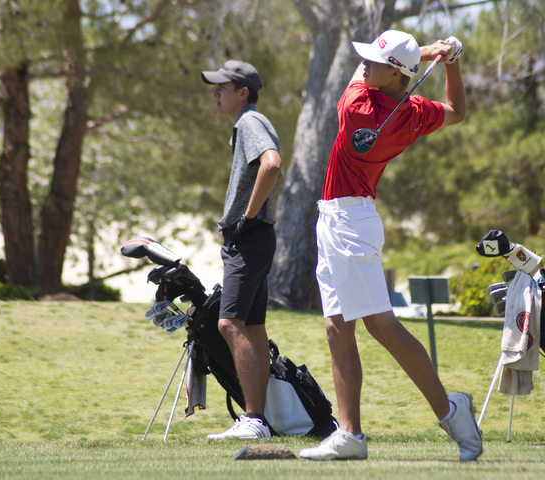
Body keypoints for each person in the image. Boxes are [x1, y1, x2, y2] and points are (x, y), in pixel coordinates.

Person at [299, 31, 483, 461]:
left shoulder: (357, 105)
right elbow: (456, 110)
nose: (364, 65)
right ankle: (350, 436)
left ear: (397, 73)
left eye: (374, 61)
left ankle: (451, 411)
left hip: (349, 224)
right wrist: (449, 61)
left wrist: (427, 52)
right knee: (336, 326)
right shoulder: (413, 111)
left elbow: (359, 79)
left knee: (380, 325)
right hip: (342, 218)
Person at [199, 61, 283, 439]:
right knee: (252, 326)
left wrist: (245, 218)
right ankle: (261, 419)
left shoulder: (250, 122)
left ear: (242, 92)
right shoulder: (248, 123)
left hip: (249, 237)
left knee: (228, 323)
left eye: (222, 87)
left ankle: (254, 421)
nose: (215, 93)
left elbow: (272, 165)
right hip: (256, 237)